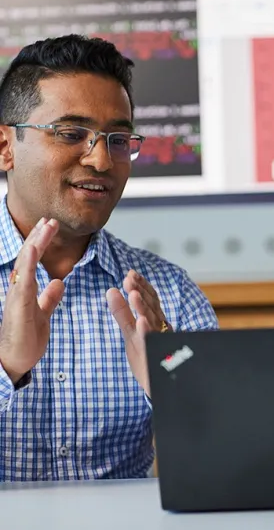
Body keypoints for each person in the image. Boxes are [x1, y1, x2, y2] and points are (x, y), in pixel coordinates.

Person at [0, 35, 217, 481]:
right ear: (5, 147)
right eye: (71, 134)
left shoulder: (167, 294)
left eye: (118, 139)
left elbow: (231, 443)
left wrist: (169, 380)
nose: (101, 160)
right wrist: (7, 367)